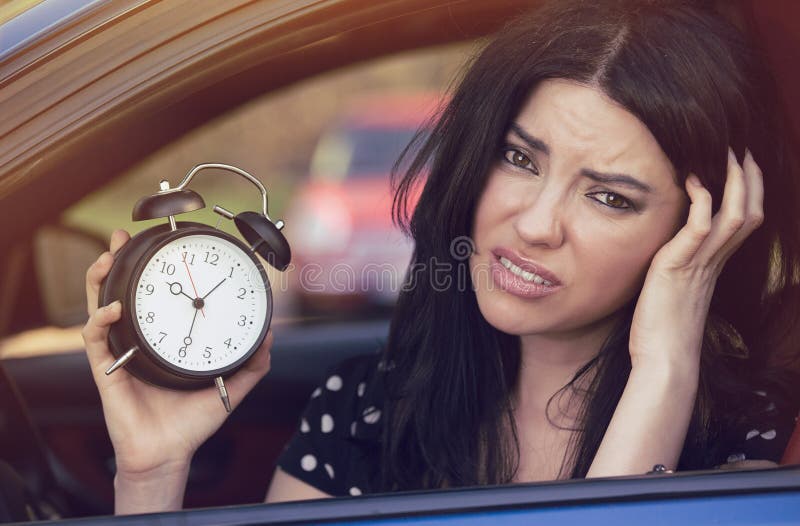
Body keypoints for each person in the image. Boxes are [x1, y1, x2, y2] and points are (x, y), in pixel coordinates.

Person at [82, 0, 800, 514]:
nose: (537, 224)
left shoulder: (749, 439)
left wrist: (665, 372)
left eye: (609, 198)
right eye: (519, 158)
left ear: (698, 232)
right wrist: (152, 473)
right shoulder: (366, 410)